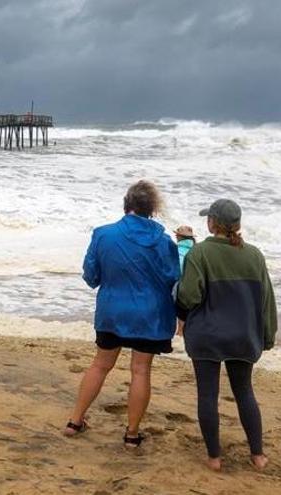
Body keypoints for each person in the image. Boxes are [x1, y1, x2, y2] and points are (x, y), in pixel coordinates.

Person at [64, 180, 180, 448]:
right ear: (152, 209)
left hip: (113, 310)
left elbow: (91, 276)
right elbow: (172, 277)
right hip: (150, 315)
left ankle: (75, 421)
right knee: (140, 370)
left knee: (101, 365)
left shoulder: (104, 234)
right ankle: (131, 434)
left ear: (126, 205)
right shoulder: (163, 242)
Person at [177, 199, 277, 472]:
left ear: (212, 224)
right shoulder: (254, 255)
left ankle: (214, 458)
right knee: (244, 392)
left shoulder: (199, 254)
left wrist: (176, 291)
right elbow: (267, 300)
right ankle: (257, 455)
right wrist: (267, 336)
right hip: (243, 336)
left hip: (207, 337)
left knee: (207, 394)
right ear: (238, 225)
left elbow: (189, 296)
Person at [173, 225, 196, 335]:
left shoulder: (175, 250)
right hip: (194, 287)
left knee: (180, 320)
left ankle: (179, 333)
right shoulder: (196, 250)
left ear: (178, 236)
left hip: (179, 287)